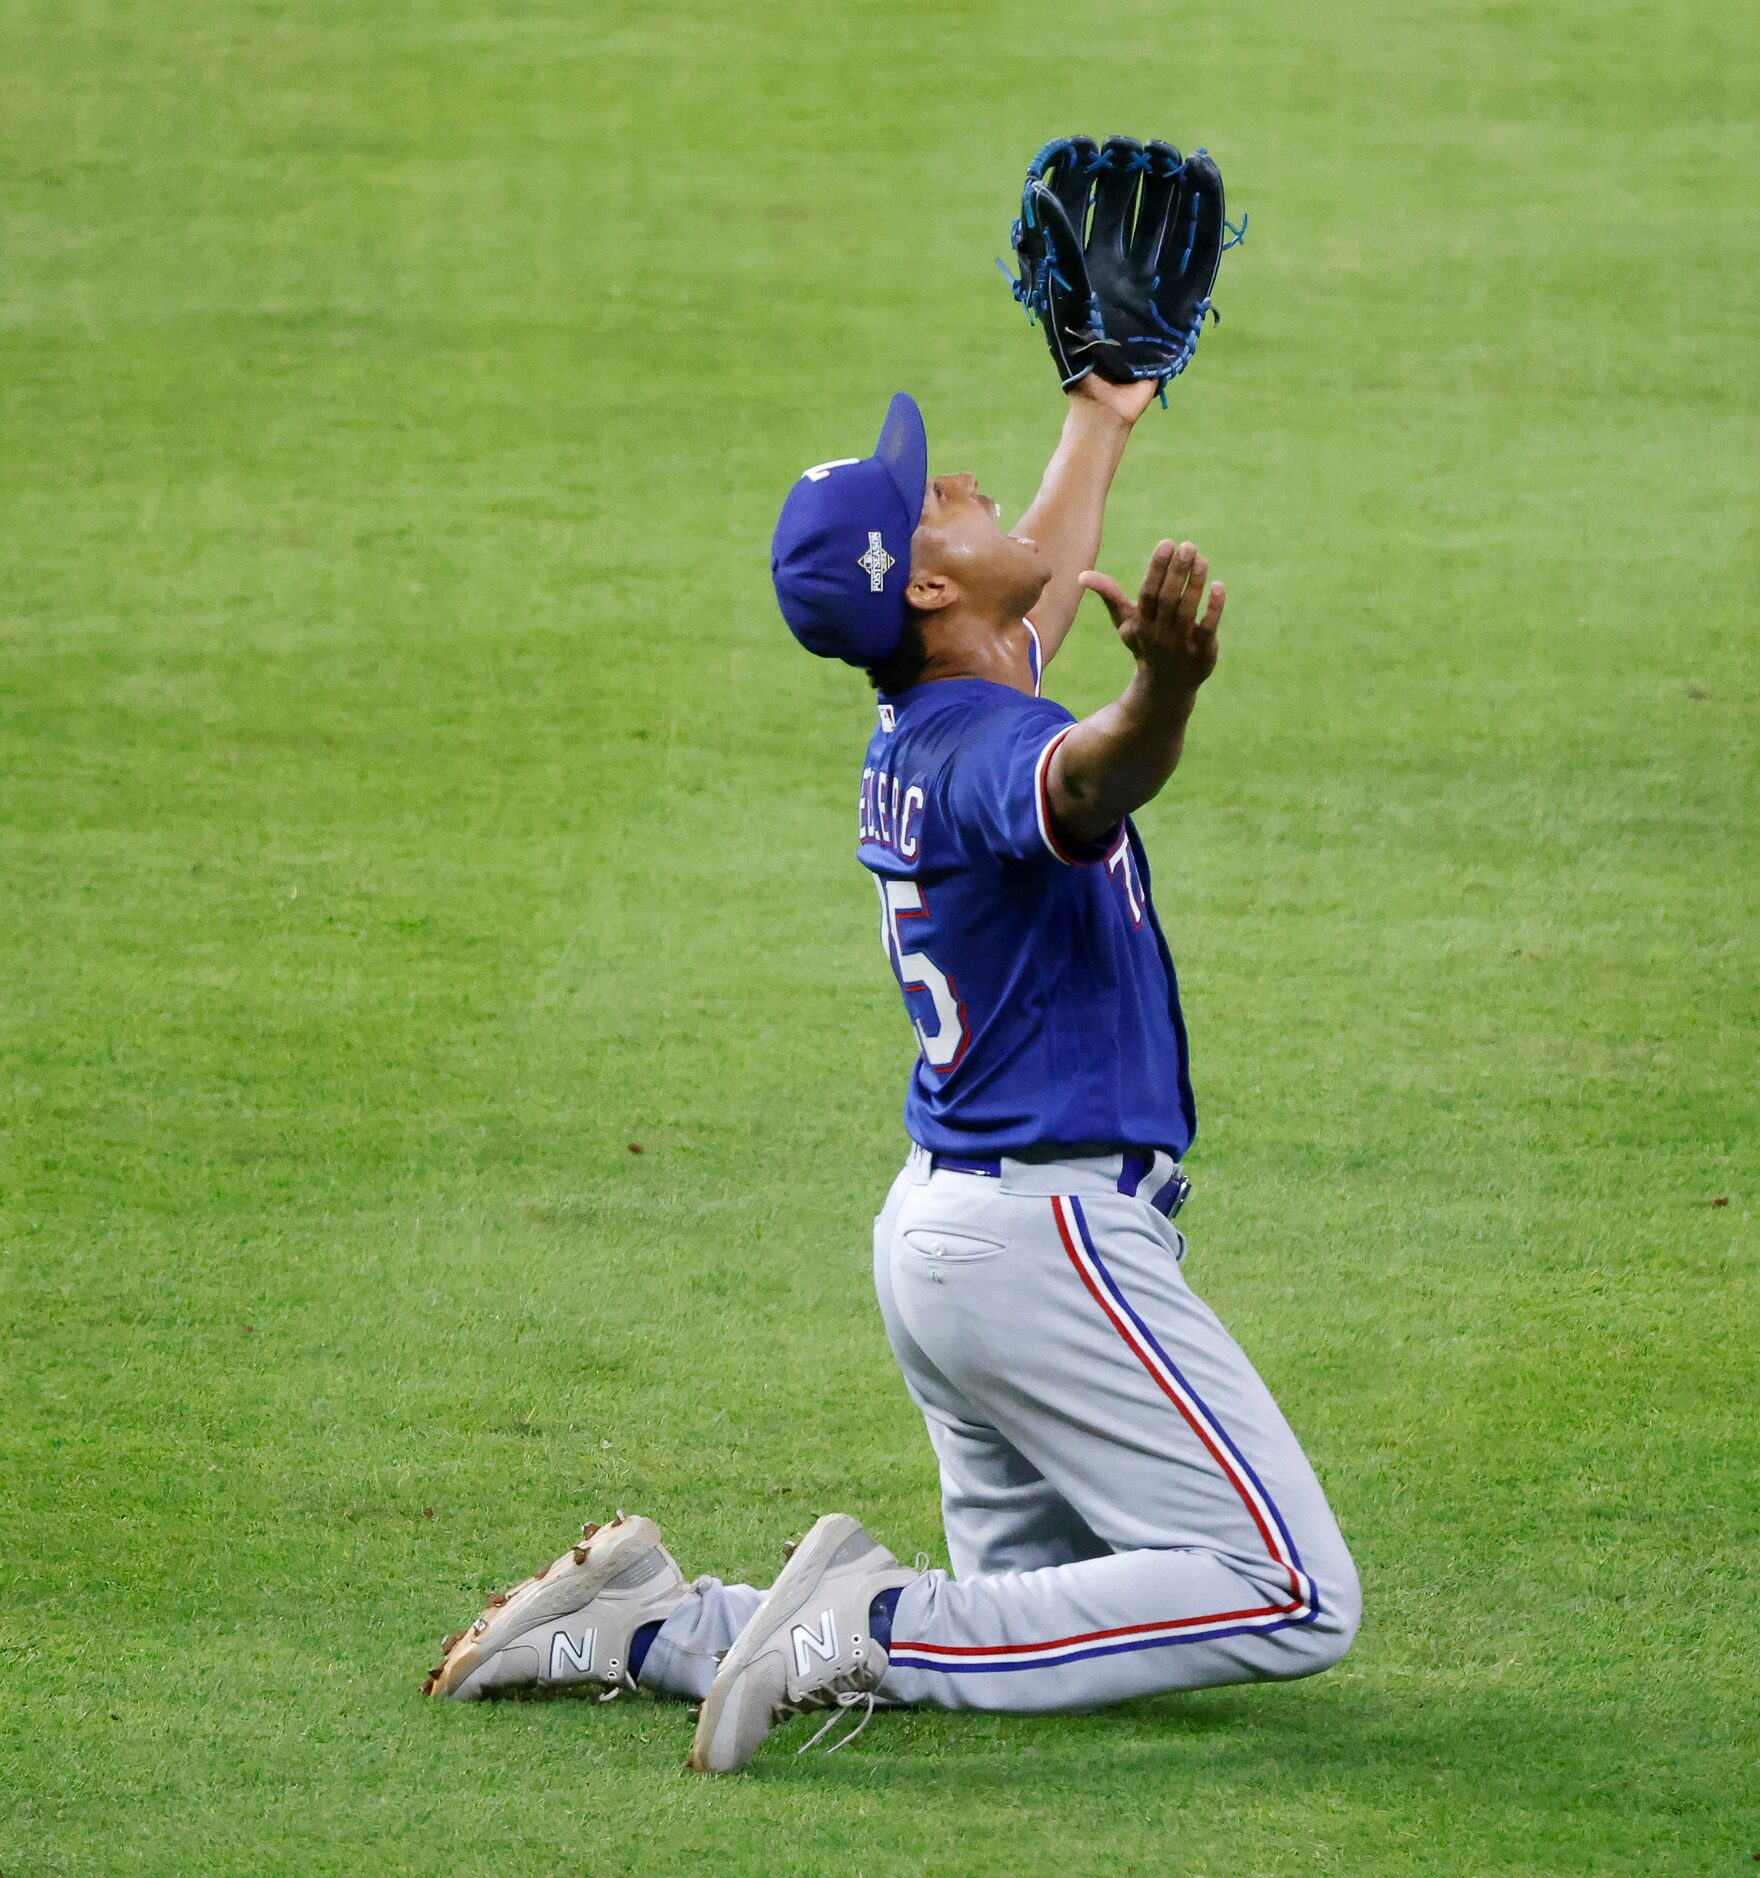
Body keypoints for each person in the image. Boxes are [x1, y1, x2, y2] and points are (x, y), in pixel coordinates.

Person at [425, 373, 1360, 1774]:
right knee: (1287, 1593)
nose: (964, 482)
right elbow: (1083, 785)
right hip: (1042, 1245)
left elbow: (1022, 617)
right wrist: (1165, 683)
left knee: (1031, 1637)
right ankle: (868, 1619)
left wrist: (1102, 416)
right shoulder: (992, 746)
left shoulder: (938, 708)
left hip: (954, 1243)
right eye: (934, 496)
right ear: (927, 584)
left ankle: (656, 1624)